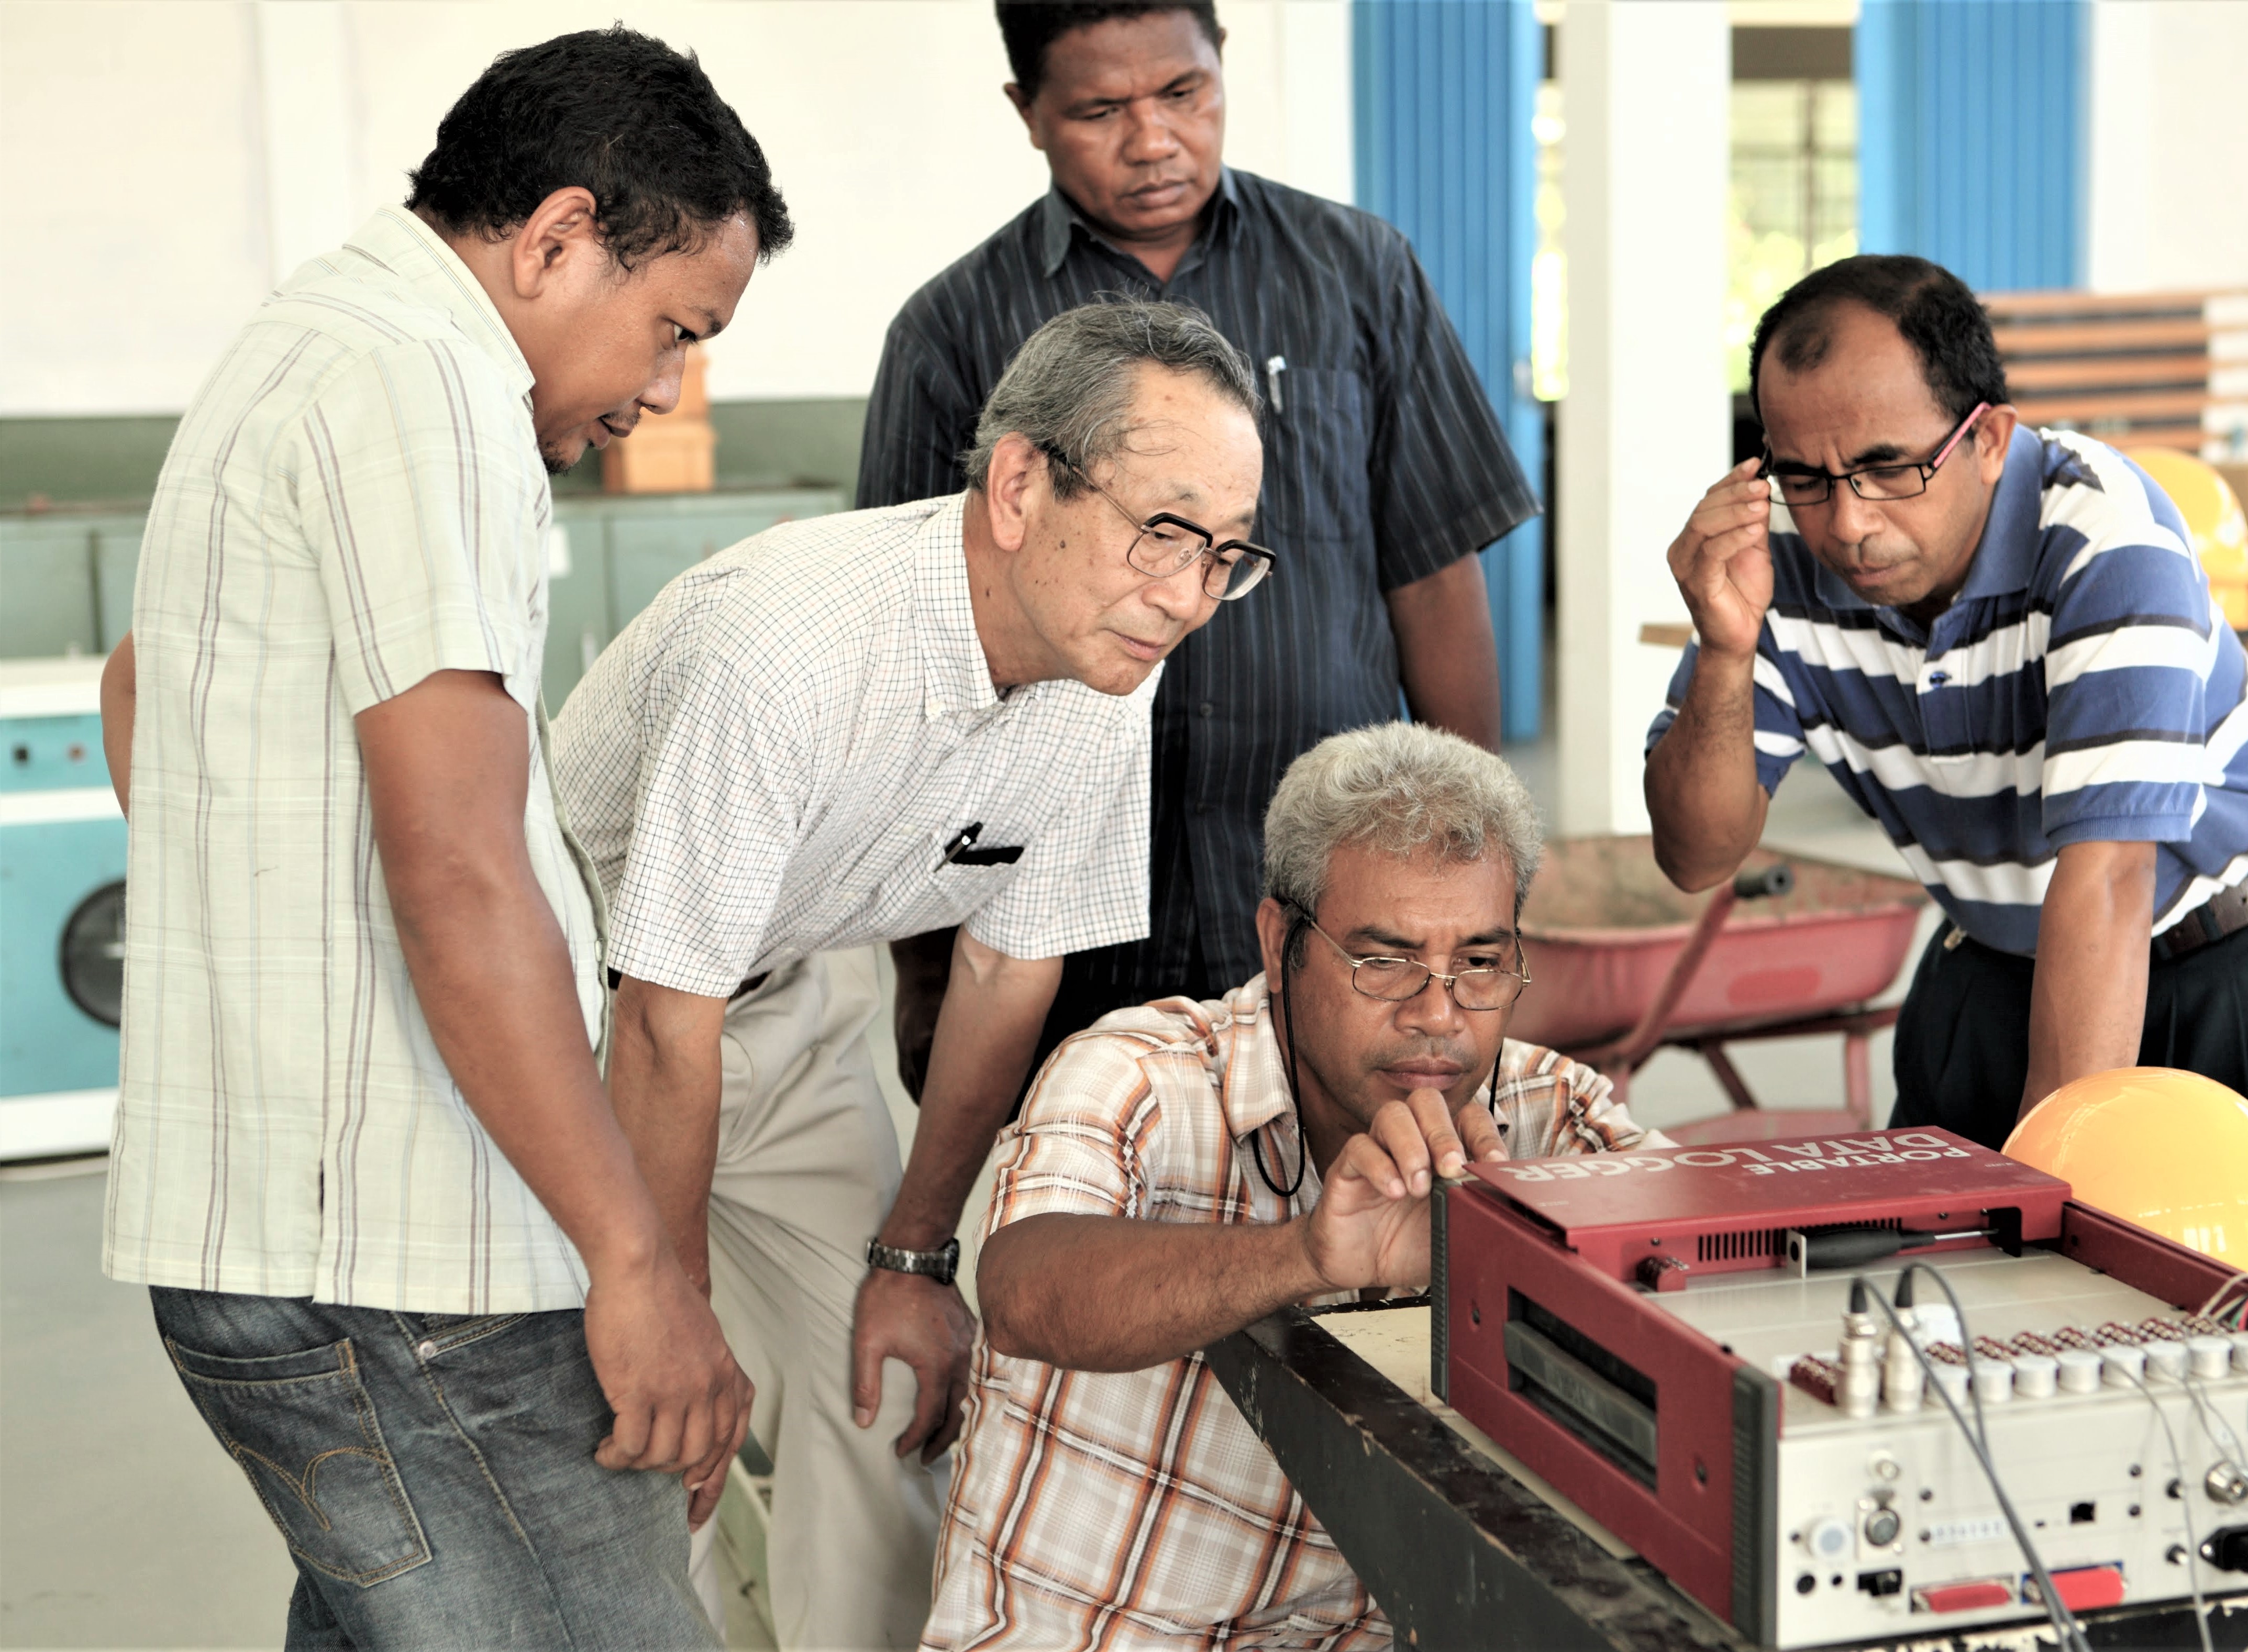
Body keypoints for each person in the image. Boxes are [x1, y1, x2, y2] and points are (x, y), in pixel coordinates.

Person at [96, 28, 789, 1647]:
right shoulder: (428, 388)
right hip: (406, 1279)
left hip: (293, 1239)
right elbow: (462, 871)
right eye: (672, 327)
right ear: (553, 238)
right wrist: (637, 1260)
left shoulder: (317, 335)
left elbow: (149, 689)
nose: (665, 388)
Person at [549, 299, 1270, 1649]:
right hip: (592, 1030)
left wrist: (915, 1257)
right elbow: (661, 1020)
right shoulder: (786, 647)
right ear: (1017, 485)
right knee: (644, 1440)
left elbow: (1009, 967)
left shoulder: (1110, 659)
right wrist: (671, 1296)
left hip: (794, 1001)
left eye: (1227, 555)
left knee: (890, 1397)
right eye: (1162, 533)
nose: (1189, 597)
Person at [861, 0, 1537, 1090]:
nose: (1153, 140)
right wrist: (928, 959)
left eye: (1183, 92)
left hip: (1326, 893)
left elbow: (1434, 573)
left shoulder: (1358, 274)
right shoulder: (956, 327)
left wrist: (1479, 869)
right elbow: (916, 645)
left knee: (1344, 1210)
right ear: (1027, 114)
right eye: (1098, 110)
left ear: (1222, 65)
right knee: (1078, 1218)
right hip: (1053, 906)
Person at [924, 723, 1669, 1651]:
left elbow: (1708, 1275)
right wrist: (1306, 1254)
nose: (1440, 1015)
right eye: (1386, 959)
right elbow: (1023, 1292)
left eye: (1479, 963)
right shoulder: (1139, 1075)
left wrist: (1537, 1244)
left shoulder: (1544, 1109)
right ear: (1282, 944)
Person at [1644, 253, 2248, 1153]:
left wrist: (2046, 1186)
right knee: (1939, 1255)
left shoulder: (2107, 542)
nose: (1849, 523)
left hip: (2218, 957)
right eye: (1805, 477)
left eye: (1888, 468)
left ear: (1988, 440)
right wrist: (1724, 649)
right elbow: (1696, 855)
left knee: (2204, 1272)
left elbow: (2108, 880)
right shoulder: (1777, 552)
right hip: (1999, 949)